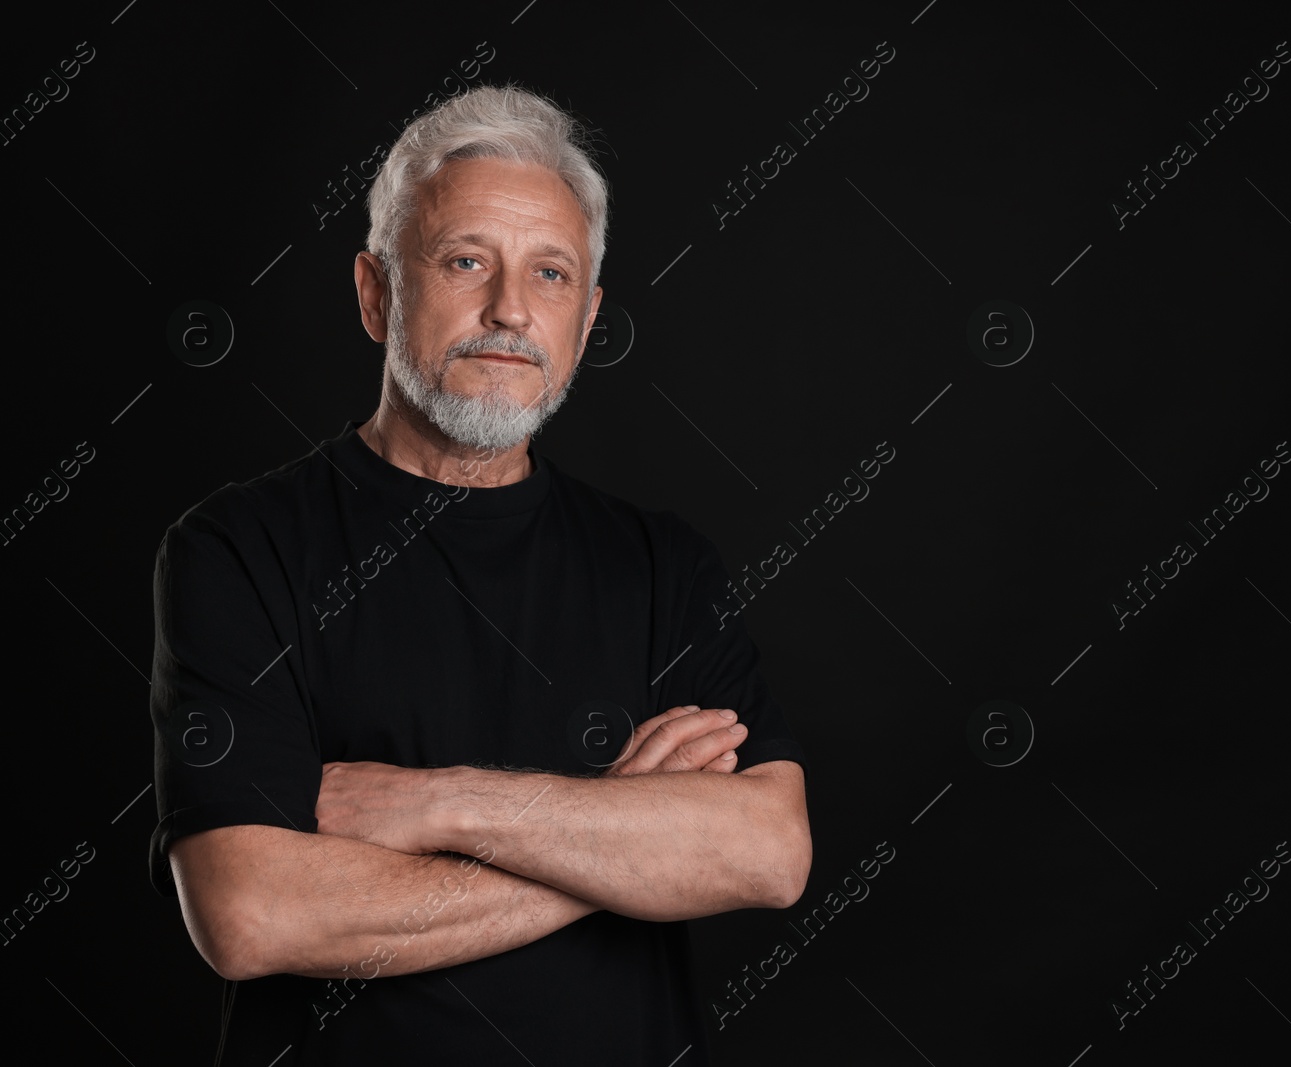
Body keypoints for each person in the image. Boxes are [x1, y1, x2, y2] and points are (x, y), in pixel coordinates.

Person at [149, 85, 811, 1065]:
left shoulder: (663, 565)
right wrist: (619, 843)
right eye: (466, 260)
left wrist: (440, 806)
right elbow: (254, 913)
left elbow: (768, 851)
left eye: (549, 274)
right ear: (376, 293)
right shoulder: (239, 548)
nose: (508, 309)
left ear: (584, 322)